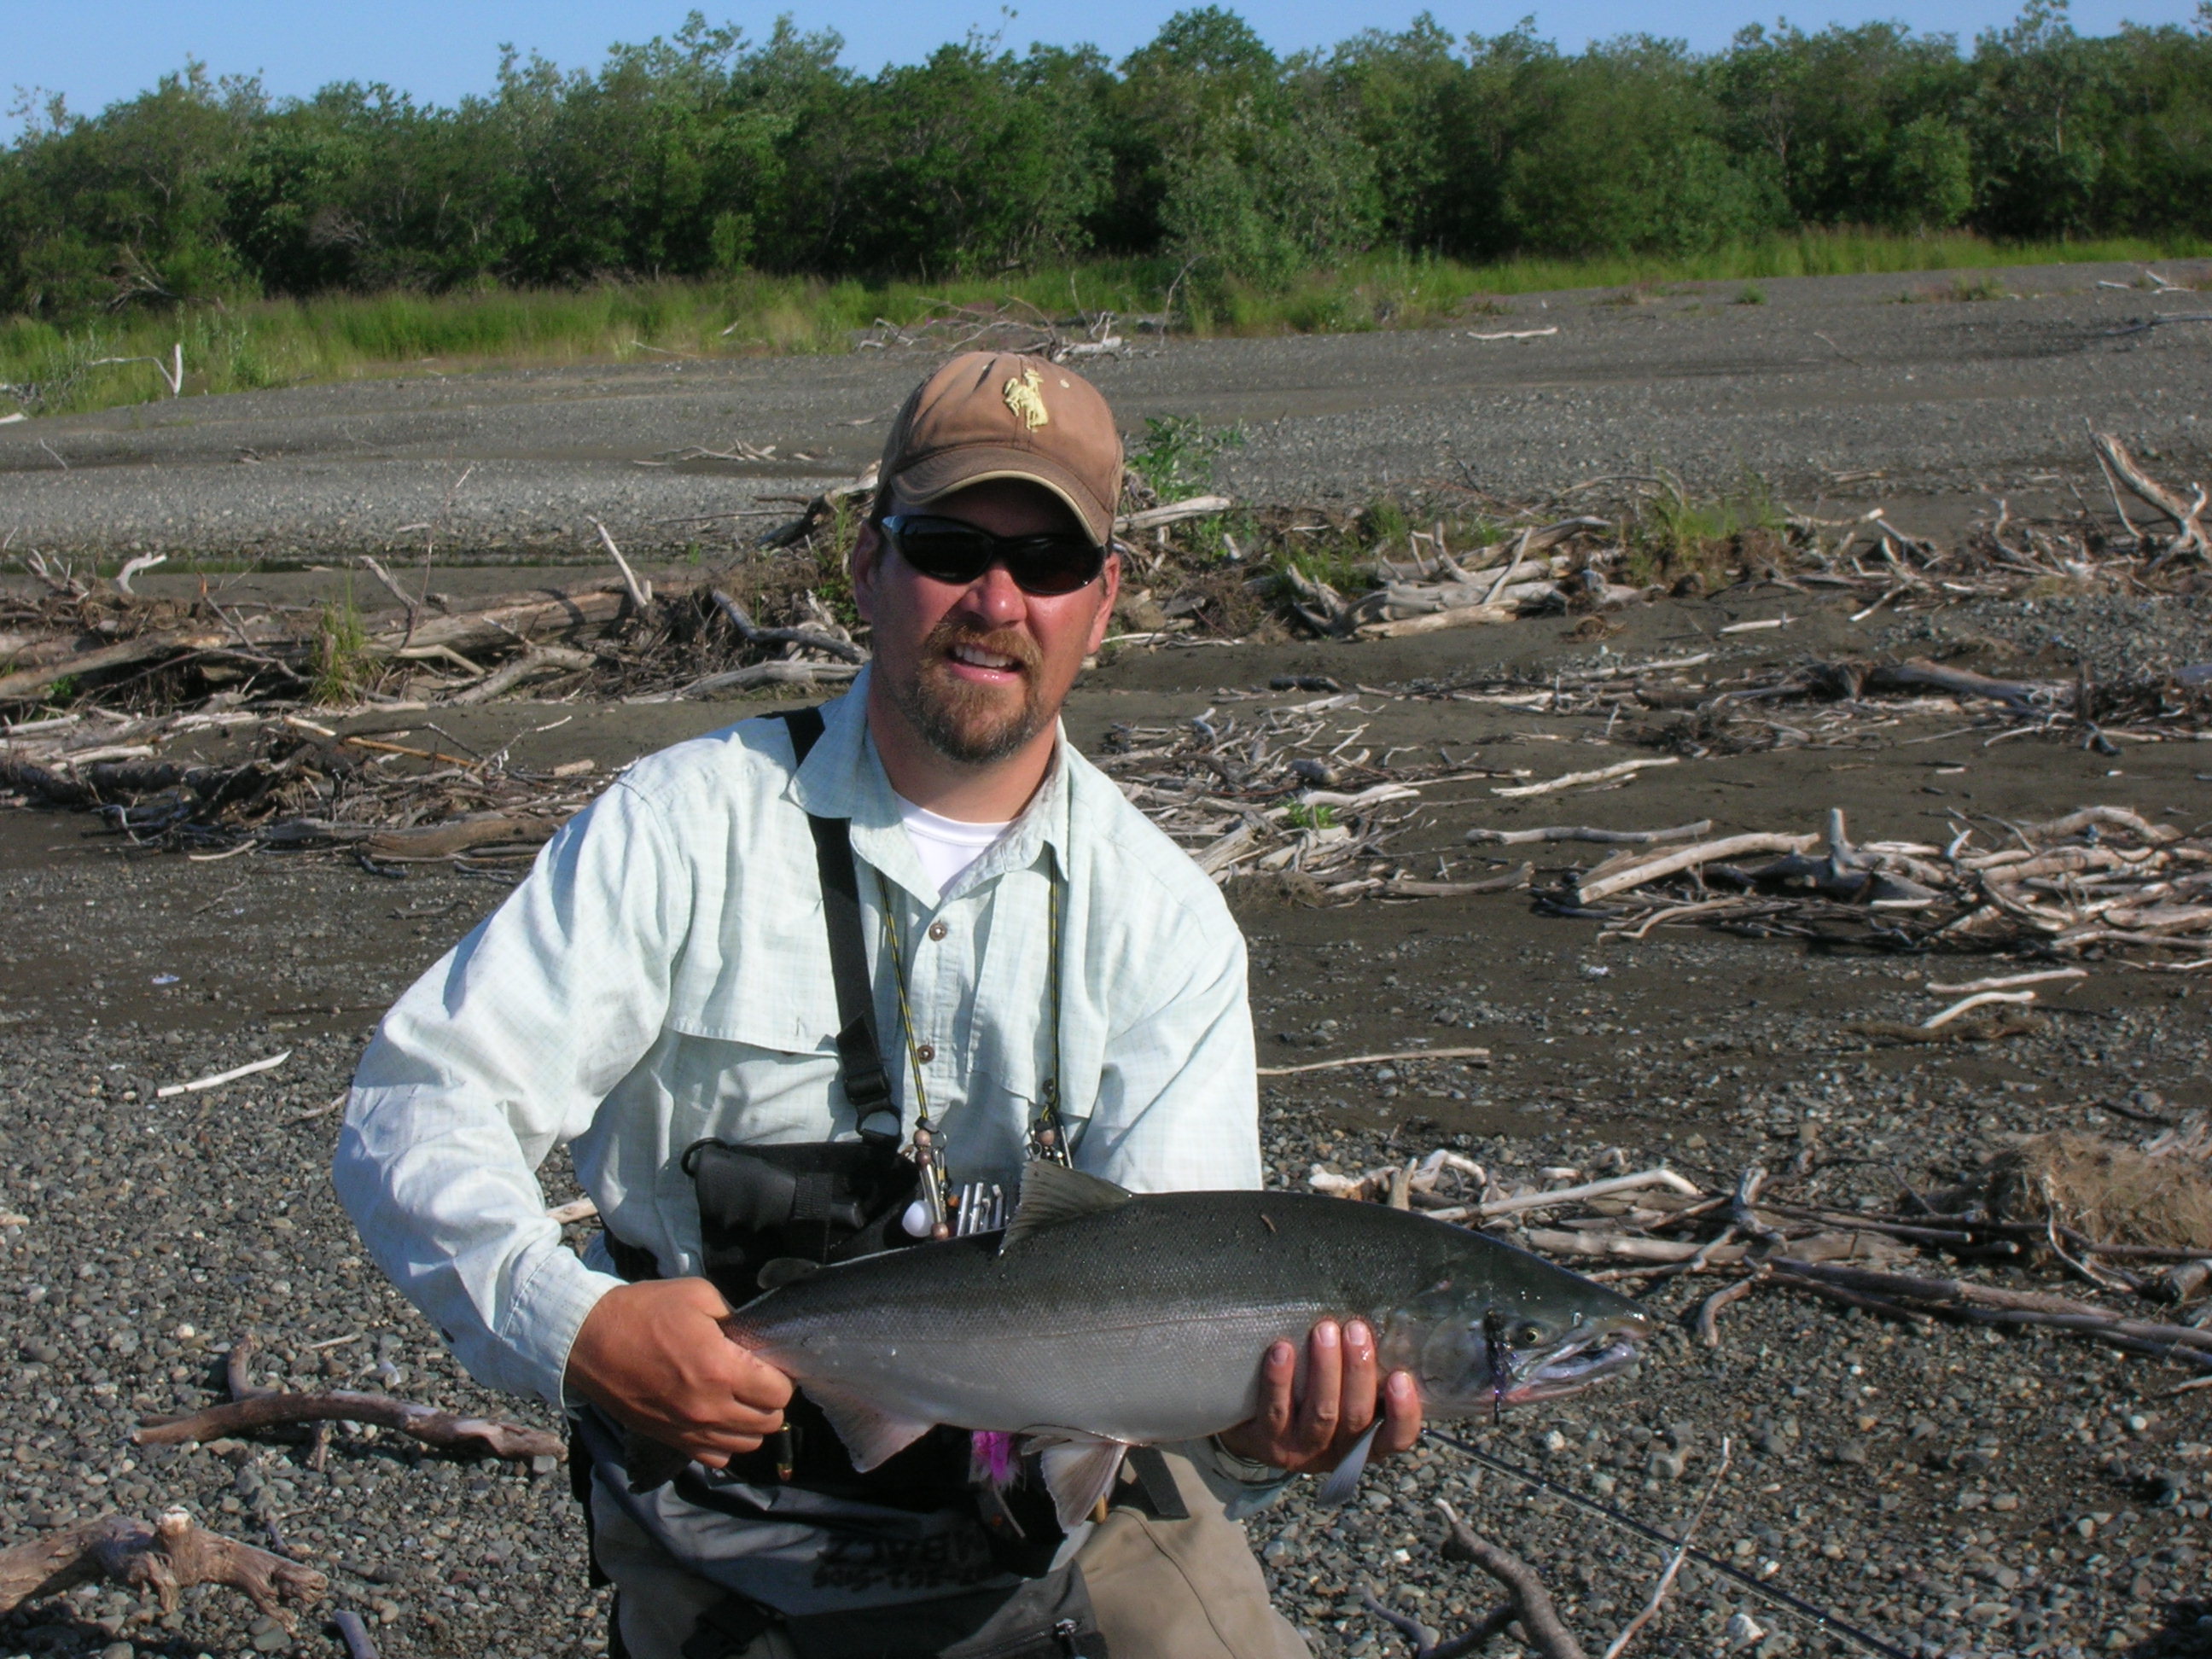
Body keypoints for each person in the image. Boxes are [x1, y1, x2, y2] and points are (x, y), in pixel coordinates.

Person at [335, 352, 1421, 1659]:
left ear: (1106, 597)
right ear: (865, 565)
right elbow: (419, 1104)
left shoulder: (1166, 924)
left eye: (1051, 562)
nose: (998, 599)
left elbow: (1187, 1298)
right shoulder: (680, 829)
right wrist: (579, 1329)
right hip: (730, 1513)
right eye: (949, 545)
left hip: (1064, 1518)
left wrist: (1261, 1425)